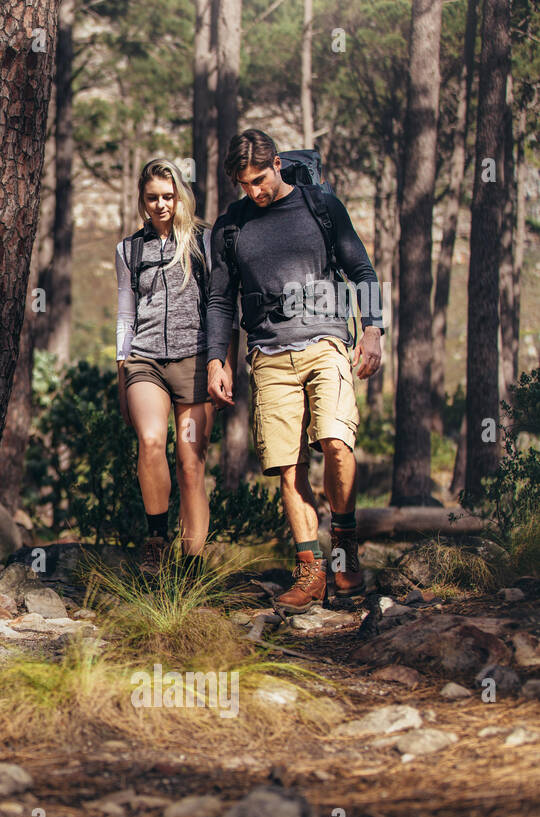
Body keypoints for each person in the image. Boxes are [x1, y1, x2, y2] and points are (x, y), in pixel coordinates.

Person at [205, 130, 385, 613]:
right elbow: (220, 299)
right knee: (288, 466)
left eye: (260, 180)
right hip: (268, 355)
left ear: (278, 165)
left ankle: (344, 549)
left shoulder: (320, 206)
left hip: (327, 342)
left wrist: (372, 330)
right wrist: (215, 358)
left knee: (336, 444)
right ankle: (311, 572)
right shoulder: (232, 225)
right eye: (244, 184)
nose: (254, 192)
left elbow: (361, 271)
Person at [115, 158, 214, 574]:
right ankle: (157, 539)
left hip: (193, 360)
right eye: (152, 197)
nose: (160, 205)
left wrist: (218, 361)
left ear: (180, 197)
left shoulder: (203, 242)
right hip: (145, 360)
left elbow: (219, 304)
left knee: (190, 463)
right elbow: (125, 311)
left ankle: (192, 569)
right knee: (152, 440)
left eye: (168, 197)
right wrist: (121, 364)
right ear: (142, 199)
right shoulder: (128, 249)